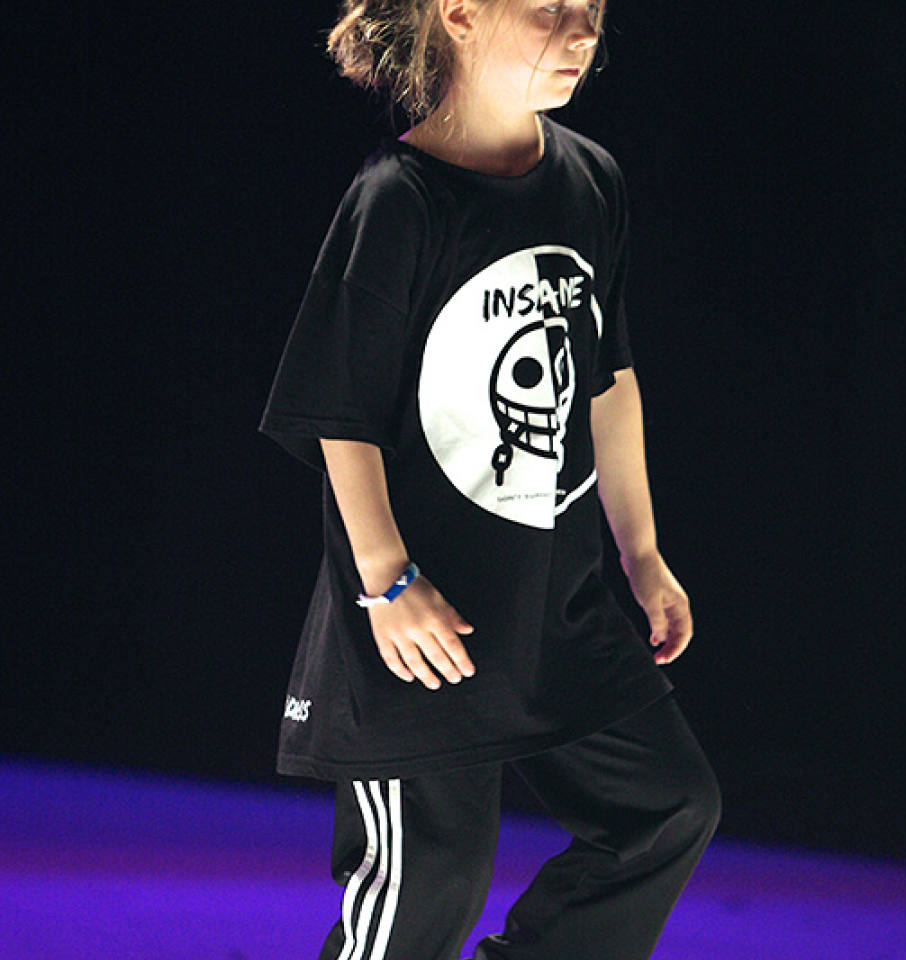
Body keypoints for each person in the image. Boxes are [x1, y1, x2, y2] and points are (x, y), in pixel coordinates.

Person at [259, 1, 721, 958]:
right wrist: (387, 582)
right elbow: (341, 415)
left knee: (667, 809)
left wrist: (642, 555)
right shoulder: (399, 199)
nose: (582, 32)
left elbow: (607, 381)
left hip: (555, 607)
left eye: (591, 9)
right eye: (549, 9)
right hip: (424, 626)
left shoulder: (591, 181)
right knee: (432, 878)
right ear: (461, 14)